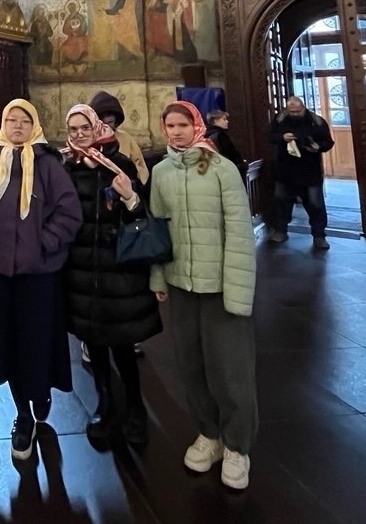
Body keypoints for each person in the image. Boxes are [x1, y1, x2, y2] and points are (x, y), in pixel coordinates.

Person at [151, 101, 257, 491]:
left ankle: (237, 445)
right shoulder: (161, 172)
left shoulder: (222, 169)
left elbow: (240, 233)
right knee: (191, 365)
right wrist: (159, 278)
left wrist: (239, 289)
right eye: (170, 126)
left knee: (230, 369)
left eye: (183, 124)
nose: (176, 132)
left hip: (220, 284)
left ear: (196, 125)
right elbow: (158, 231)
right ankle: (209, 433)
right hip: (182, 284)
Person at [0, 99, 82, 462]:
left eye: (24, 120)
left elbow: (69, 213)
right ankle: (23, 415)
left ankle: (40, 392)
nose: (17, 125)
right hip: (0, 274)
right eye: (11, 119)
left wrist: (41, 245)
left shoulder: (48, 165)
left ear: (34, 125)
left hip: (38, 274)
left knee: (35, 342)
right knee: (8, 344)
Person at [61, 104, 160, 447]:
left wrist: (129, 198)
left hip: (118, 269)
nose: (79, 134)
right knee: (94, 343)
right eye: (73, 129)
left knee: (122, 344)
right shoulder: (66, 168)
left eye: (84, 127)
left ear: (96, 127)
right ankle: (105, 404)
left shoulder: (119, 163)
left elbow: (141, 211)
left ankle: (135, 407)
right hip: (81, 270)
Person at [264, 95, 335, 249]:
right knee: (281, 201)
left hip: (309, 169)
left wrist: (318, 147)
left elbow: (328, 142)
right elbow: (269, 136)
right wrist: (282, 137)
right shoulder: (280, 120)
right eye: (292, 112)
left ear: (303, 108)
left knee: (315, 204)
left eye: (298, 111)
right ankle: (280, 231)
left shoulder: (316, 121)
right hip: (285, 170)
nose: (295, 114)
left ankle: (319, 236)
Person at [88, 90, 148, 183]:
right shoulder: (88, 140)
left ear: (116, 119)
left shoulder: (125, 138)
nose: (107, 125)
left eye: (110, 122)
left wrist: (134, 182)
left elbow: (140, 165)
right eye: (103, 121)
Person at [206, 110, 248, 179]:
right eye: (224, 119)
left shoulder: (205, 135)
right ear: (215, 121)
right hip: (226, 170)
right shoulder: (221, 135)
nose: (227, 121)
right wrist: (241, 163)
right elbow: (231, 153)